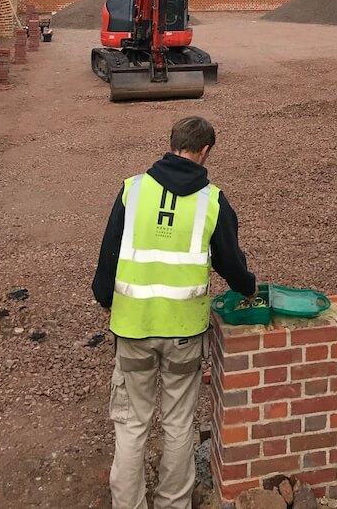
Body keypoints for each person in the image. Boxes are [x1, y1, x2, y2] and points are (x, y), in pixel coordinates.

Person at [92, 116, 257, 509]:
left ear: (171, 144)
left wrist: (104, 297)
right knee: (179, 422)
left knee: (132, 424)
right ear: (205, 151)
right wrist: (248, 288)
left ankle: (128, 503)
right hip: (184, 331)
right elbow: (230, 264)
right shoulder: (212, 200)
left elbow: (109, 255)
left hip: (133, 328)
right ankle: (174, 502)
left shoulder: (132, 190)